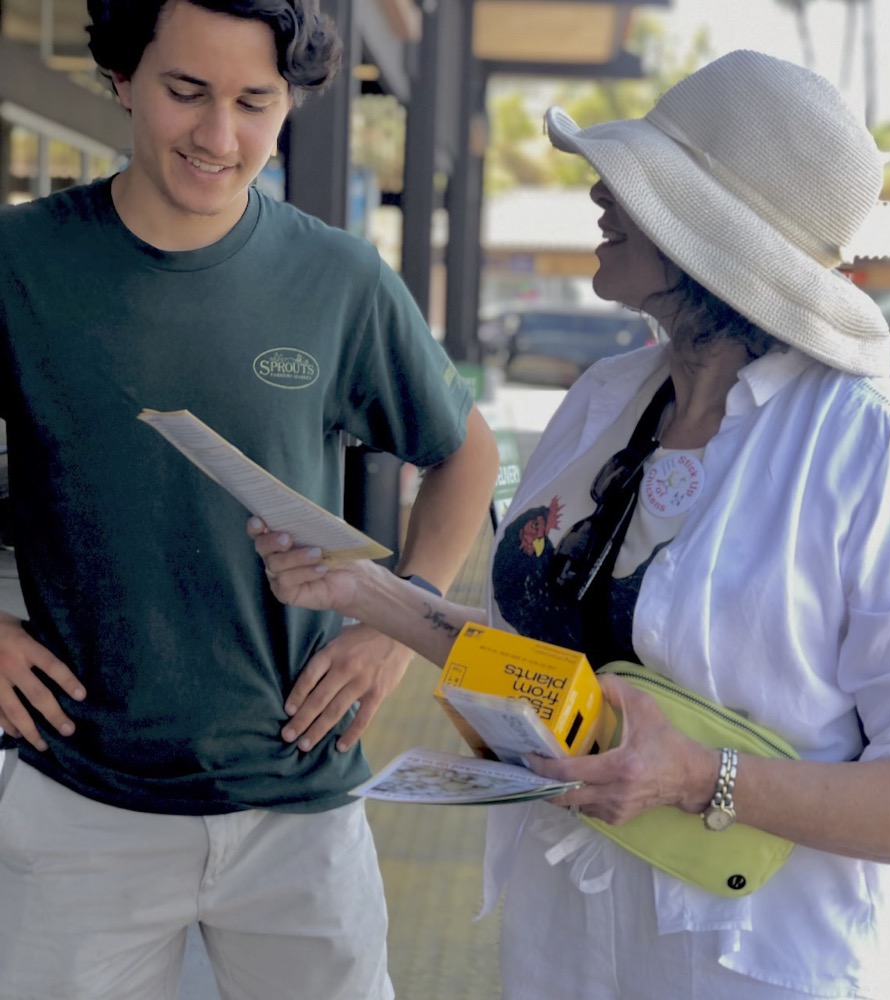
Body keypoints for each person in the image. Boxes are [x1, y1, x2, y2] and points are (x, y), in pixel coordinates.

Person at [252, 49, 890, 1000]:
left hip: (761, 970)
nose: (602, 192)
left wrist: (700, 778)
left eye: (639, 182)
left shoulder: (870, 453)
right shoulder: (607, 401)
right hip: (567, 951)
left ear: (706, 238)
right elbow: (547, 668)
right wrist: (363, 590)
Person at [0, 0, 498, 997]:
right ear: (124, 79)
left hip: (300, 802)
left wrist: (395, 621)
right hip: (78, 799)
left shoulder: (340, 277)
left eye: (254, 102)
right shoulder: (23, 264)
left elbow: (466, 456)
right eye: (186, 92)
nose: (219, 137)